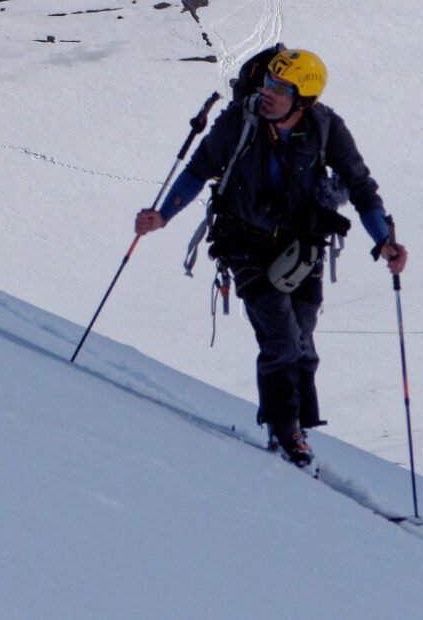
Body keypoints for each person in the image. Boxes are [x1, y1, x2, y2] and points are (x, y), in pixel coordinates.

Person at [134, 47, 408, 467]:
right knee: (281, 339)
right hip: (243, 241)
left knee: (303, 337)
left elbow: (361, 187)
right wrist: (163, 216)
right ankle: (285, 432)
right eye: (268, 83)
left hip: (303, 247)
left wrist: (384, 240)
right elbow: (198, 170)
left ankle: (297, 425)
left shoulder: (326, 128)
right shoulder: (239, 122)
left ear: (303, 100)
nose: (268, 92)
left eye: (280, 88)